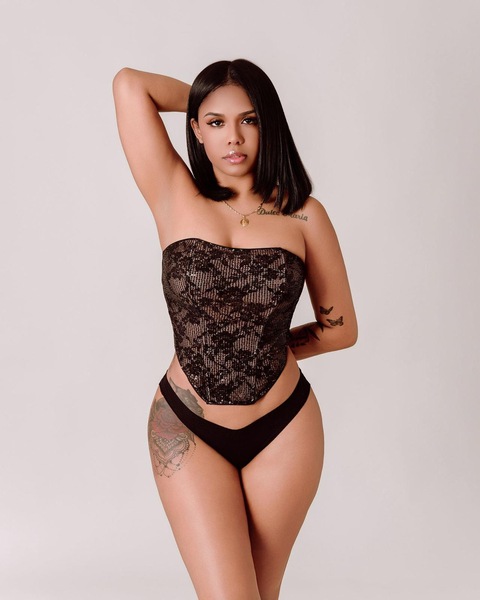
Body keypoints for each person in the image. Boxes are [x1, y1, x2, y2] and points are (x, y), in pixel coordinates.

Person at [113, 58, 357, 600]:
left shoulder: (304, 216)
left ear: (268, 124)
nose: (234, 137)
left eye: (249, 119)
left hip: (284, 431)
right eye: (216, 122)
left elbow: (340, 330)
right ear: (196, 130)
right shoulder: (174, 194)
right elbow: (130, 85)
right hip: (186, 425)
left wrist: (260, 344)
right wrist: (205, 97)